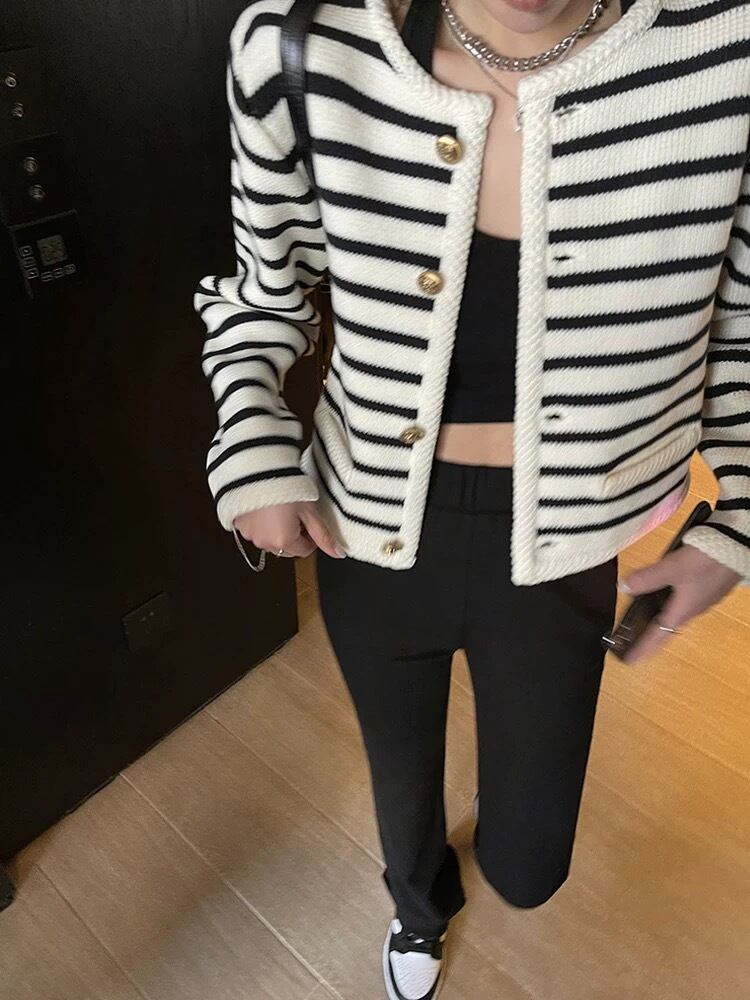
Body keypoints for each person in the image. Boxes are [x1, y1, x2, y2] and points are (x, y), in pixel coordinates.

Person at [194, 0, 750, 995]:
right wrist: (255, 440)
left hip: (568, 537)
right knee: (399, 768)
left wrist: (741, 522)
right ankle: (416, 909)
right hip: (367, 523)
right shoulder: (298, 46)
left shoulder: (726, 54)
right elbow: (262, 295)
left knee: (530, 866)